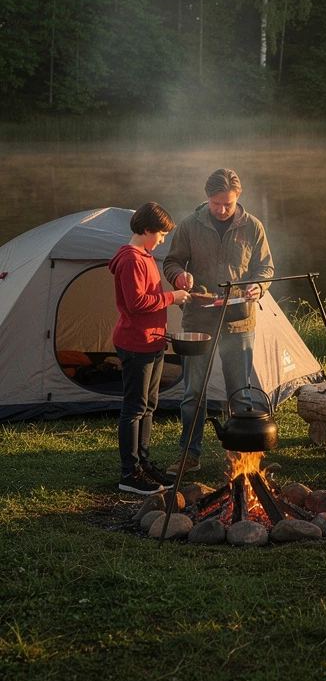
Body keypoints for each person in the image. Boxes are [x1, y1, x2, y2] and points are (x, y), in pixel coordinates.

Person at [163, 168, 274, 474]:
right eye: (216, 204)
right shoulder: (189, 225)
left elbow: (265, 268)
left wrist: (258, 286)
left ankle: (242, 456)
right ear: (207, 197)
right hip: (199, 320)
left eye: (228, 204)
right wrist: (179, 276)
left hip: (239, 322)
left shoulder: (252, 226)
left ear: (238, 198)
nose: (222, 209)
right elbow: (171, 262)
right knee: (193, 393)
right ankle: (190, 454)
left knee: (240, 391)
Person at [109, 202, 191, 494]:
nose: (163, 240)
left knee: (148, 406)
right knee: (134, 408)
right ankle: (129, 474)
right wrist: (173, 297)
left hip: (152, 340)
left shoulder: (144, 255)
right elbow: (137, 303)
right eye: (161, 234)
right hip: (135, 343)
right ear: (146, 230)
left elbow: (148, 297)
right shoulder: (131, 259)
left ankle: (143, 465)